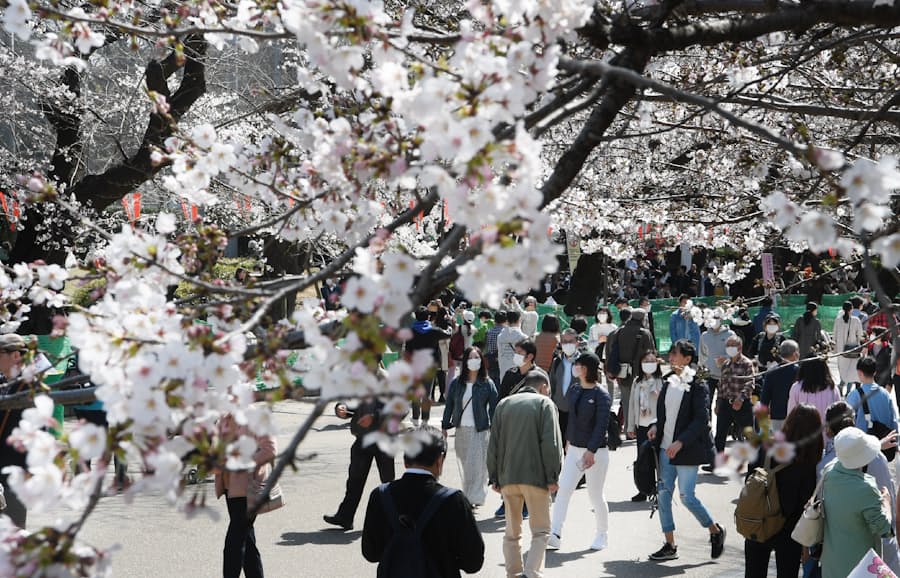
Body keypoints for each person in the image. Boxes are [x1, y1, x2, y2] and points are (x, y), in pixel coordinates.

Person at [362, 426, 485, 578]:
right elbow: (473, 562)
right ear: (440, 459)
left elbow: (371, 553)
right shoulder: (453, 500)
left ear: (406, 460)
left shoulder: (380, 495)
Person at [647, 339, 725, 562]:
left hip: (686, 450)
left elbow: (702, 420)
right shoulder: (668, 380)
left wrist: (680, 442)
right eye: (670, 354)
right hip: (664, 448)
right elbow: (665, 414)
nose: (670, 358)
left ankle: (715, 531)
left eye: (675, 354)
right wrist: (655, 426)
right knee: (663, 496)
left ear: (688, 359)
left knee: (687, 497)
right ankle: (670, 545)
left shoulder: (697, 384)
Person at [487, 371, 563, 578]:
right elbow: (552, 444)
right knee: (540, 531)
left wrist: (493, 476)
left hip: (508, 478)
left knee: (512, 532)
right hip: (536, 478)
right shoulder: (544, 404)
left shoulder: (503, 404)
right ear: (543, 387)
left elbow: (493, 443)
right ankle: (531, 573)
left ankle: (513, 573)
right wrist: (553, 476)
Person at [818, 401, 900, 572]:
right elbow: (884, 528)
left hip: (832, 560)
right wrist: (885, 502)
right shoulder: (866, 486)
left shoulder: (826, 471)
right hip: (863, 564)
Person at [743, 404, 822, 578]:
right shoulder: (806, 461)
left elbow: (749, 479)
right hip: (788, 531)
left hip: (758, 521)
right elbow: (805, 504)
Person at [547, 353, 611, 551]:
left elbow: (601, 426)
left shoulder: (601, 395)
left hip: (595, 453)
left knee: (595, 495)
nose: (575, 368)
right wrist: (568, 440)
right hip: (574, 449)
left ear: (587, 369)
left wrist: (590, 451)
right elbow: (571, 419)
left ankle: (602, 534)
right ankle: (555, 532)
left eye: (579, 365)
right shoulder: (575, 390)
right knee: (563, 490)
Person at [215, 412, 277, 578]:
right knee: (246, 542)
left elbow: (270, 450)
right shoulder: (224, 418)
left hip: (248, 489)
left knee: (233, 544)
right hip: (230, 489)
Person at [323, 398, 395, 530]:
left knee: (388, 484)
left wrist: (374, 417)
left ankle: (394, 520)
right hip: (362, 439)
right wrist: (341, 408)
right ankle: (345, 516)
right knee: (354, 481)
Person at [441, 346, 498, 507]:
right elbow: (449, 406)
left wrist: (495, 428)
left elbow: (495, 407)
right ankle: (470, 493)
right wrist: (445, 426)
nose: (475, 361)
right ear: (465, 361)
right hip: (461, 430)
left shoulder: (487, 384)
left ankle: (472, 497)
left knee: (477, 465)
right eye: (471, 358)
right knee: (467, 466)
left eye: (477, 357)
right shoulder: (456, 384)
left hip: (480, 430)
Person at [606, 308, 654, 437]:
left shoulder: (619, 331)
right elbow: (651, 354)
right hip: (642, 374)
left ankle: (629, 429)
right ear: (642, 319)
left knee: (626, 402)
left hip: (623, 374)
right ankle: (641, 429)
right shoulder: (645, 333)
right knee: (642, 402)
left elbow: (611, 351)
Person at [0, 333, 29, 528]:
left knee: (13, 532)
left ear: (16, 355)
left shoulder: (29, 386)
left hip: (15, 472)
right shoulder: (3, 382)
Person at [405, 307, 452, 425]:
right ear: (429, 317)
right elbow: (448, 334)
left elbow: (407, 350)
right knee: (427, 393)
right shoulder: (434, 330)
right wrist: (450, 326)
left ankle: (415, 418)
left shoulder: (410, 331)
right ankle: (425, 420)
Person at [628, 350, 662, 502]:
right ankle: (644, 489)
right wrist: (630, 426)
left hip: (656, 425)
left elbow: (667, 404)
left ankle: (661, 490)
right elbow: (631, 405)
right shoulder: (637, 382)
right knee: (643, 460)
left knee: (657, 459)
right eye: (645, 361)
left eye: (651, 361)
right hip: (641, 425)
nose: (648, 364)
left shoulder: (661, 381)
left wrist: (659, 394)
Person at [714, 335, 754, 455]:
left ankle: (754, 464)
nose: (730, 348)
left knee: (749, 434)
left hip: (742, 404)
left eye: (732, 345)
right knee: (720, 434)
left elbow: (750, 383)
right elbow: (721, 386)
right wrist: (718, 403)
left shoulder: (747, 363)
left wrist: (740, 399)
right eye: (728, 346)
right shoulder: (725, 364)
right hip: (726, 403)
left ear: (740, 347)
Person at [846, 356, 899, 435]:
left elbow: (847, 423)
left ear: (859, 372)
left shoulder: (854, 396)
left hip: (863, 442)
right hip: (885, 441)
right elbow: (893, 421)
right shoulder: (886, 394)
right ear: (875, 372)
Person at [548, 329, 582, 443]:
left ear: (577, 342)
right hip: (559, 409)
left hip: (577, 411)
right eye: (564, 341)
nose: (567, 344)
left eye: (570, 341)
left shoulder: (583, 361)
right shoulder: (557, 361)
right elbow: (552, 384)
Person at [699, 313, 736, 415]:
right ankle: (708, 427)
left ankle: (725, 428)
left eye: (716, 318)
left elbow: (736, 353)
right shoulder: (704, 336)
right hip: (709, 375)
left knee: (723, 405)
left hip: (726, 375)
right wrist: (702, 371)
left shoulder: (730, 335)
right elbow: (701, 355)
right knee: (706, 403)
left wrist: (726, 358)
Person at [787, 357, 840, 427]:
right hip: (827, 433)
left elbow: (791, 413)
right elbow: (838, 413)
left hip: (803, 433)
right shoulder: (832, 388)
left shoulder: (796, 388)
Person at [760, 340, 800, 432]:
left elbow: (765, 397)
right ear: (795, 354)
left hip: (776, 415)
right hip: (794, 415)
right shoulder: (798, 371)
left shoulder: (771, 372)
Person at [834, 300, 867, 394]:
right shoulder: (856, 320)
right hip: (853, 350)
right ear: (851, 309)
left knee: (843, 370)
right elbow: (860, 335)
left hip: (841, 351)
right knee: (852, 371)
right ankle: (848, 391)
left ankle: (841, 385)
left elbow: (835, 335)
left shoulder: (838, 320)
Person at [497, 311, 528, 381]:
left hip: (503, 371)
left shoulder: (500, 336)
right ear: (519, 320)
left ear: (506, 320)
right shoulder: (523, 337)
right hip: (518, 373)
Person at [484, 311, 508, 387]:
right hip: (500, 359)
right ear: (505, 320)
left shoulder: (489, 331)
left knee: (491, 381)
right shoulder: (504, 332)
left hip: (489, 358)